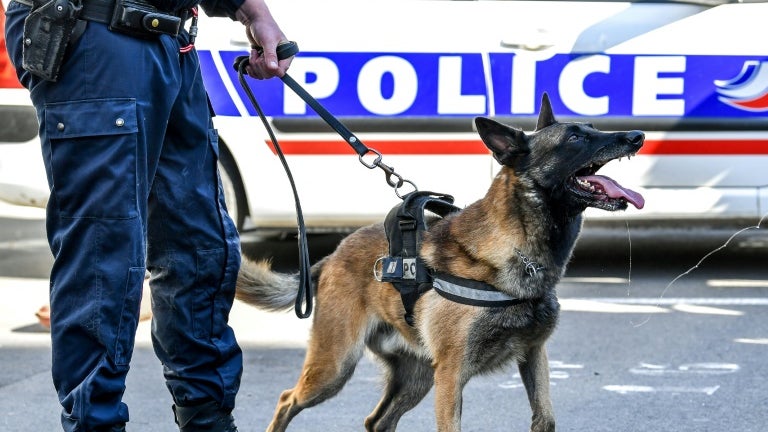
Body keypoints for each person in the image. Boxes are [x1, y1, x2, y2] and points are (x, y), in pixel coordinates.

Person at [3, 0, 293, 429]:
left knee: (199, 249)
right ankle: (95, 423)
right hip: (97, 31)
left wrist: (251, 12)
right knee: (104, 260)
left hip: (169, 39)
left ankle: (208, 420)